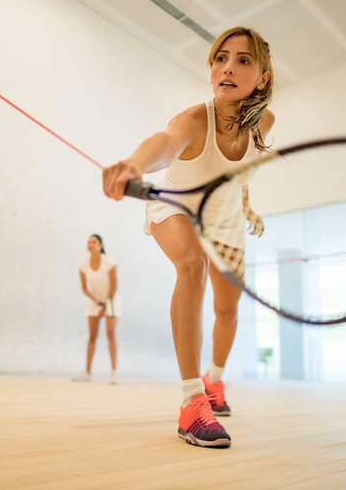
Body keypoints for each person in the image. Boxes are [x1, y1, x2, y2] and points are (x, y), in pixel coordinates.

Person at [103, 27, 275, 448]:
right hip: (175, 203)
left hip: (226, 217)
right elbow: (166, 141)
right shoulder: (196, 119)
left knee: (228, 310)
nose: (228, 68)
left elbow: (239, 172)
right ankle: (191, 402)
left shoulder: (264, 122)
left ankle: (214, 382)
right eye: (221, 58)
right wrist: (133, 164)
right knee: (191, 265)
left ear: (263, 77)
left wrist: (247, 203)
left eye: (243, 60)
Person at [75, 234, 119, 384]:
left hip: (111, 300)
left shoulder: (110, 262)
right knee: (92, 337)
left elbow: (114, 287)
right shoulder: (83, 264)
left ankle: (113, 373)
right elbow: (84, 288)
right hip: (95, 300)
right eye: (88, 242)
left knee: (110, 334)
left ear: (100, 245)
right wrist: (96, 301)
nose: (90, 244)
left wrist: (105, 305)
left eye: (94, 242)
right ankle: (87, 372)